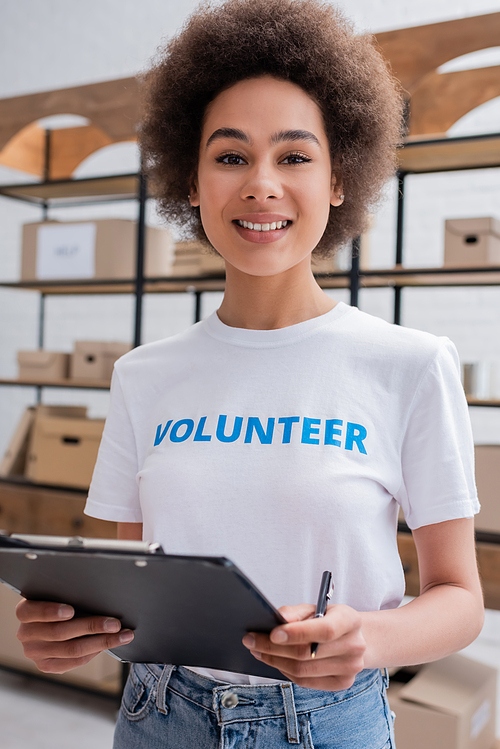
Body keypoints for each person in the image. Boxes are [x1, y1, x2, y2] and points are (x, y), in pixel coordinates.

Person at [16, 1, 484, 747]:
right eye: (231, 156)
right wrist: (67, 634)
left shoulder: (411, 364)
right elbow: (114, 591)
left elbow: (460, 598)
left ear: (339, 179)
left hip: (331, 725)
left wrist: (366, 637)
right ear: (191, 182)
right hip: (158, 717)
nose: (261, 184)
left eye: (294, 156)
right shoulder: (144, 375)